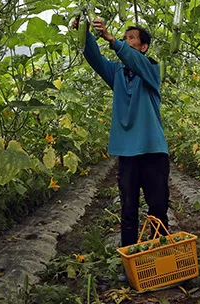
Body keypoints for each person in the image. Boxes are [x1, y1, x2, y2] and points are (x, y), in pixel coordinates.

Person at [71, 16, 169, 253]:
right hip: (127, 154)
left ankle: (161, 256)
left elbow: (133, 60)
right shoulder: (117, 74)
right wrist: (82, 31)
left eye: (131, 38)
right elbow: (94, 58)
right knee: (128, 210)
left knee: (157, 209)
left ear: (143, 47)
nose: (126, 42)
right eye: (125, 38)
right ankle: (131, 259)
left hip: (153, 151)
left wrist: (113, 40)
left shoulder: (151, 69)